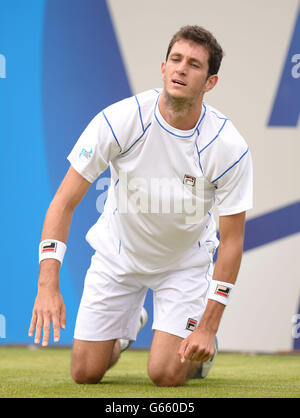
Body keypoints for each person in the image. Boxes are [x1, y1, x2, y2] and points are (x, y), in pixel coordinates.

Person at [28, 25, 253, 387]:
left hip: (183, 266)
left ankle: (195, 356)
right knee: (85, 372)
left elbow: (232, 243)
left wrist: (208, 327)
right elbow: (63, 202)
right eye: (175, 60)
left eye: (194, 64)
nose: (181, 69)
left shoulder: (227, 146)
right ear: (163, 68)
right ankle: (125, 333)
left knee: (164, 374)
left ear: (210, 82)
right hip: (119, 256)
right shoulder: (119, 120)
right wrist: (47, 284)